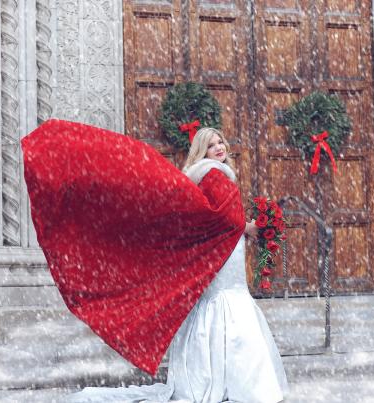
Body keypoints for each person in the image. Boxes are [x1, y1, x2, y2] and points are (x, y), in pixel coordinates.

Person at [61, 127, 289, 402]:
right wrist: (249, 227)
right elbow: (222, 218)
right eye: (210, 145)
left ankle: (218, 378)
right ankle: (239, 383)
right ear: (201, 152)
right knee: (227, 304)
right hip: (225, 253)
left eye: (220, 142)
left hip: (225, 250)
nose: (218, 148)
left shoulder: (208, 176)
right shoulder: (214, 174)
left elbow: (213, 218)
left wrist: (245, 227)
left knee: (217, 307)